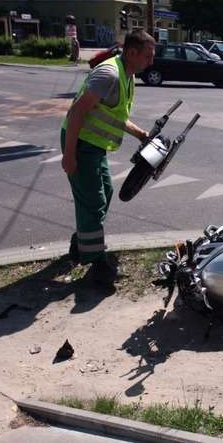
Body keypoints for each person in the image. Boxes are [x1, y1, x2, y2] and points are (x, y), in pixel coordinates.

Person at [61, 30, 155, 284]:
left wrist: (141, 134)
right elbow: (76, 113)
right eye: (147, 56)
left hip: (95, 146)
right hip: (80, 144)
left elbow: (115, 115)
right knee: (93, 201)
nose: (151, 62)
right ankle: (96, 263)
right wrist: (69, 155)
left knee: (105, 193)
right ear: (132, 52)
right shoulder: (109, 74)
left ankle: (81, 243)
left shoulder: (127, 75)